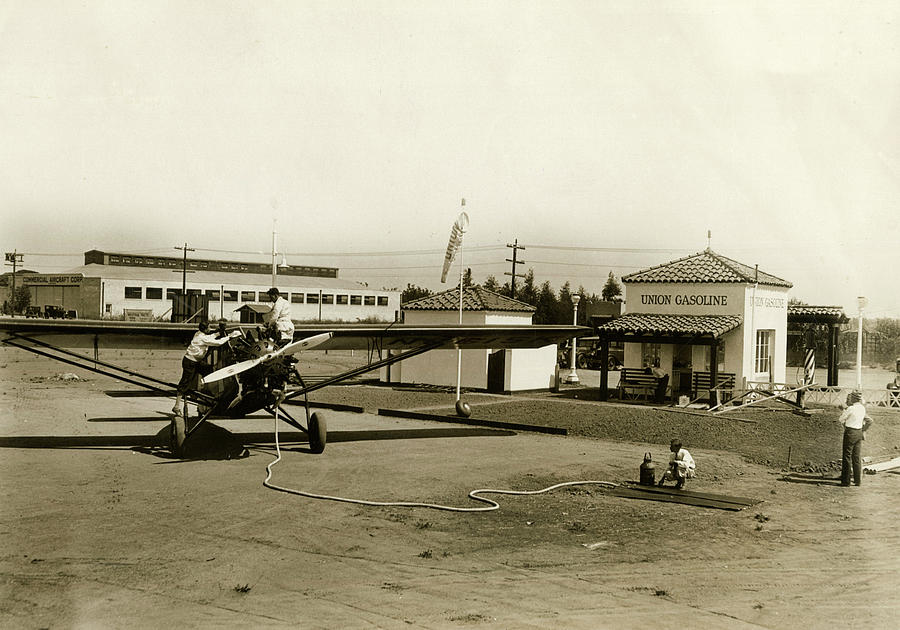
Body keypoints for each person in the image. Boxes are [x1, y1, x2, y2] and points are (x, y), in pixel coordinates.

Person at [173, 319, 241, 415]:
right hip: (190, 362)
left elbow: (210, 336)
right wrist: (230, 337)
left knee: (210, 373)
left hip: (195, 361)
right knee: (185, 383)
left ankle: (207, 396)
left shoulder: (199, 334)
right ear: (204, 329)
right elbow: (217, 343)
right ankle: (176, 406)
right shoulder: (202, 338)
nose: (210, 329)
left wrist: (219, 333)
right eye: (208, 327)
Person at [837, 390, 873, 487]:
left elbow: (841, 419)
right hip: (859, 432)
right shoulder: (862, 408)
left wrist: (845, 411)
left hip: (850, 432)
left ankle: (846, 481)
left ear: (853, 399)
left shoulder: (851, 408)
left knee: (847, 456)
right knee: (856, 457)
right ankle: (858, 481)